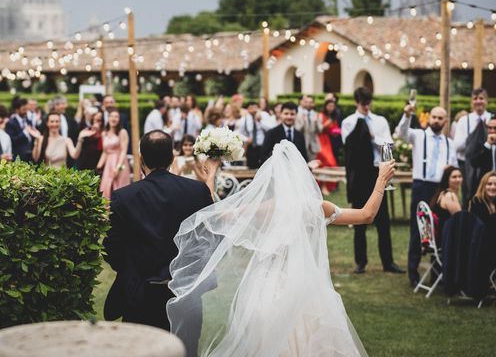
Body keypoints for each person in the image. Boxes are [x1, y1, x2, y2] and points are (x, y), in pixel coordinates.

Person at [167, 141, 395, 357]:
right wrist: (382, 180)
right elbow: (366, 215)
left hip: (263, 292)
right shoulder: (315, 207)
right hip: (306, 290)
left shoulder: (263, 209)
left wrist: (212, 174)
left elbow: (216, 212)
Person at [103, 130, 212, 342]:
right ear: (172, 158)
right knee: (186, 348)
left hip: (141, 293)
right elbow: (207, 241)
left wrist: (133, 270)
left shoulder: (124, 197)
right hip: (185, 292)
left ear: (141, 159)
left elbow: (111, 248)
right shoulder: (197, 191)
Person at [341, 87, 404, 275]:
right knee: (359, 217)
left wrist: (372, 138)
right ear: (356, 102)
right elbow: (349, 145)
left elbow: (388, 145)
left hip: (377, 171)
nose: (366, 107)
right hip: (359, 174)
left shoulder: (380, 121)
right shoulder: (348, 122)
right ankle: (360, 262)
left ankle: (388, 262)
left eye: (369, 103)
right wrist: (362, 132)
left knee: (383, 220)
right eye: (363, 103)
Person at [395, 104, 457, 286]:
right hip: (421, 186)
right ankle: (413, 274)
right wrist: (406, 114)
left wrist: (450, 169)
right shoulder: (418, 135)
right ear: (429, 118)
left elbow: (453, 165)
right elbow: (401, 133)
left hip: (440, 188)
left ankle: (436, 273)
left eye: (440, 118)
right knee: (418, 228)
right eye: (434, 117)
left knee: (440, 227)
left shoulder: (449, 143)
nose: (436, 120)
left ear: (445, 121)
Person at [453, 88, 492, 199]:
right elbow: (457, 146)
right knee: (469, 198)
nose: (478, 101)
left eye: (481, 98)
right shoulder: (464, 121)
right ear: (471, 102)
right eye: (475, 98)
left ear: (486, 101)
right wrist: (473, 137)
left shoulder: (492, 119)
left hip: (488, 167)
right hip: (467, 167)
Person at [97, 109, 131, 200]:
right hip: (109, 163)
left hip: (120, 162)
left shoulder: (122, 132)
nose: (114, 118)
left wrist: (118, 167)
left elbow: (124, 150)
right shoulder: (104, 133)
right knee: (106, 187)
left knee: (120, 187)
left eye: (116, 117)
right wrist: (98, 166)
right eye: (111, 116)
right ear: (108, 118)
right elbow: (105, 152)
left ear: (119, 119)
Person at [237, 101, 275, 169]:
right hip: (252, 148)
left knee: (264, 167)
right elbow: (239, 133)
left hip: (264, 147)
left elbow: (271, 129)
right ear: (248, 109)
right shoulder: (244, 120)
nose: (254, 110)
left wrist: (260, 121)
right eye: (251, 108)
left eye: (255, 107)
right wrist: (246, 139)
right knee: (251, 167)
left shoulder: (264, 115)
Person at [429, 166, 463, 242]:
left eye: (460, 176)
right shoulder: (449, 196)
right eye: (454, 177)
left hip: (445, 234)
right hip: (447, 237)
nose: (457, 179)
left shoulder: (442, 193)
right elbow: (461, 218)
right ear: (447, 179)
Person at [316, 99, 341, 194]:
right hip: (320, 140)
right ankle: (321, 186)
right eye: (329, 106)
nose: (331, 108)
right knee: (325, 161)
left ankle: (326, 186)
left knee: (331, 163)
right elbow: (318, 129)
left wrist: (335, 132)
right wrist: (327, 123)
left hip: (328, 141)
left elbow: (333, 129)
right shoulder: (320, 115)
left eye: (333, 106)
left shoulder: (333, 117)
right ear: (325, 106)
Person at [6, 98, 40, 163]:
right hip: (18, 158)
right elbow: (12, 141)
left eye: (27, 109)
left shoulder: (28, 121)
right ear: (17, 110)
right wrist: (25, 133)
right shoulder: (11, 123)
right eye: (23, 109)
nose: (26, 112)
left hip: (30, 157)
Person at [468, 116, 496, 184]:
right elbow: (474, 163)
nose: (492, 131)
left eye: (495, 128)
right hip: (486, 182)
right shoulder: (481, 143)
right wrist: (488, 145)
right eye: (490, 128)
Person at [295, 94, 323, 161]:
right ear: (303, 103)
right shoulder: (298, 114)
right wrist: (303, 122)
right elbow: (297, 130)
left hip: (313, 145)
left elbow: (320, 131)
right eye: (306, 102)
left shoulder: (316, 114)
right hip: (302, 145)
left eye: (310, 102)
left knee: (312, 166)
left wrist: (316, 123)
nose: (308, 104)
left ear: (313, 104)